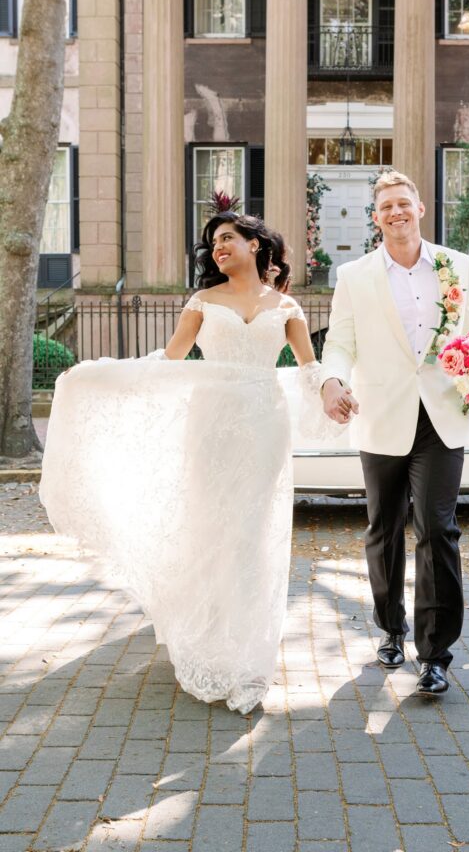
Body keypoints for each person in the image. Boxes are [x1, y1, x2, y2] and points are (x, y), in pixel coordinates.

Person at [40, 210, 318, 714]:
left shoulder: (287, 306)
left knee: (252, 533)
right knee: (211, 525)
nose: (219, 248)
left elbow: (309, 368)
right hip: (211, 424)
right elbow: (169, 361)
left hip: (264, 427)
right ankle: (209, 637)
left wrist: (334, 389)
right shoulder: (203, 301)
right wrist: (103, 376)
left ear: (256, 245)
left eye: (229, 238)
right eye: (213, 242)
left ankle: (248, 644)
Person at [321, 170, 469, 696]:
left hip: (440, 416)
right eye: (386, 207)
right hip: (381, 416)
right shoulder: (354, 275)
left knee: (438, 529)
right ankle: (391, 629)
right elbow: (341, 341)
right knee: (383, 530)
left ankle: (435, 653)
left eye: (404, 203)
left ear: (420, 208)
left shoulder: (453, 265)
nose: (396, 212)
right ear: (376, 218)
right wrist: (331, 382)